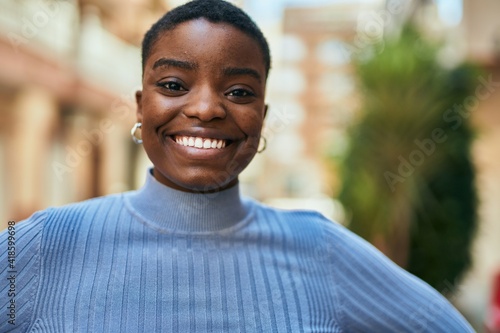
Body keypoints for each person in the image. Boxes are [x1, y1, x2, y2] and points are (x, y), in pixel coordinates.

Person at [0, 0, 474, 332]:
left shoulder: (320, 250)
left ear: (262, 119)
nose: (206, 108)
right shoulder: (42, 246)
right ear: (141, 107)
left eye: (240, 92)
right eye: (173, 83)